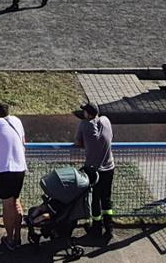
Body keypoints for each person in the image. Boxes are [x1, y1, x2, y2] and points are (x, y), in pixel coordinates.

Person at [0, 103, 29, 249]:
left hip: (3, 169)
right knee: (16, 202)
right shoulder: (17, 121)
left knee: (7, 205)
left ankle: (10, 239)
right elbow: (23, 141)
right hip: (20, 167)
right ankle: (18, 236)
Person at [72, 103, 115, 240]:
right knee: (106, 198)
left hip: (94, 170)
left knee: (95, 198)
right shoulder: (106, 120)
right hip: (109, 167)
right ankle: (109, 227)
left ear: (88, 114)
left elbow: (78, 143)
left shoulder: (85, 125)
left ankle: (96, 227)